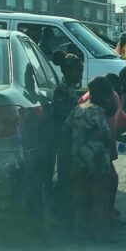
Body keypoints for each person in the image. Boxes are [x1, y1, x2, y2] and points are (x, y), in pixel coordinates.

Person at [65, 76, 116, 241]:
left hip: (77, 163)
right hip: (97, 165)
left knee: (79, 200)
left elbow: (65, 131)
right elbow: (107, 138)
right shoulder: (98, 112)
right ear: (104, 95)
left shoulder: (77, 109)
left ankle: (78, 234)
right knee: (99, 201)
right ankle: (99, 236)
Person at [50, 51, 84, 219]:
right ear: (66, 71)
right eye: (77, 71)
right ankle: (62, 213)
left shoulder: (68, 89)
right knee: (65, 176)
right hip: (64, 140)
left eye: (81, 71)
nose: (80, 75)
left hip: (69, 139)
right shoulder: (62, 90)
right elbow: (63, 116)